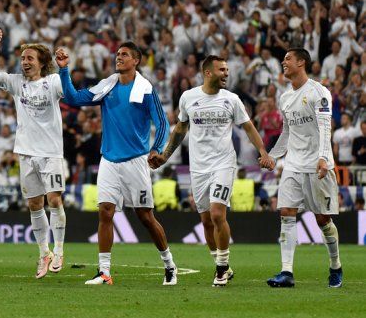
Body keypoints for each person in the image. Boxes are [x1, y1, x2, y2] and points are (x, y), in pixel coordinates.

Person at [56, 42, 177, 286]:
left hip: (135, 162)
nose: (118, 57)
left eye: (124, 55)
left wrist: (157, 149)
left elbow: (162, 123)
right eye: (117, 54)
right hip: (109, 160)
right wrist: (64, 69)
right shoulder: (107, 85)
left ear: (136, 61)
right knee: (105, 212)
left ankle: (169, 264)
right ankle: (104, 272)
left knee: (145, 217)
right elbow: (73, 97)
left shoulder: (145, 89)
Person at [150, 55, 273, 286]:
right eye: (222, 70)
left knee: (218, 214)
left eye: (227, 69)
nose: (226, 73)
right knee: (206, 220)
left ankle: (221, 268)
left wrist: (263, 152)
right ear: (208, 73)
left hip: (223, 164)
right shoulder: (188, 97)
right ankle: (221, 263)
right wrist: (165, 156)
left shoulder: (231, 99)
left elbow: (248, 127)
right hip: (199, 168)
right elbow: (180, 129)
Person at [0, 28, 67, 279]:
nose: (25, 62)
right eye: (23, 58)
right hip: (25, 153)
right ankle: (44, 254)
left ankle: (60, 249)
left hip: (51, 152)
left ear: (42, 63)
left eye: (30, 58)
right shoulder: (16, 82)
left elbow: (69, 91)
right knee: (34, 204)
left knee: (54, 200)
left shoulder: (52, 82)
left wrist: (64, 68)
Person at [263, 48, 343, 288]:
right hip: (293, 165)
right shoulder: (285, 98)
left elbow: (325, 127)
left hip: (317, 163)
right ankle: (286, 272)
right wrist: (273, 155)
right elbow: (287, 132)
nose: (283, 62)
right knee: (286, 212)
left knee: (322, 219)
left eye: (288, 59)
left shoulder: (319, 91)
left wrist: (323, 158)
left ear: (301, 62)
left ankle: (336, 265)